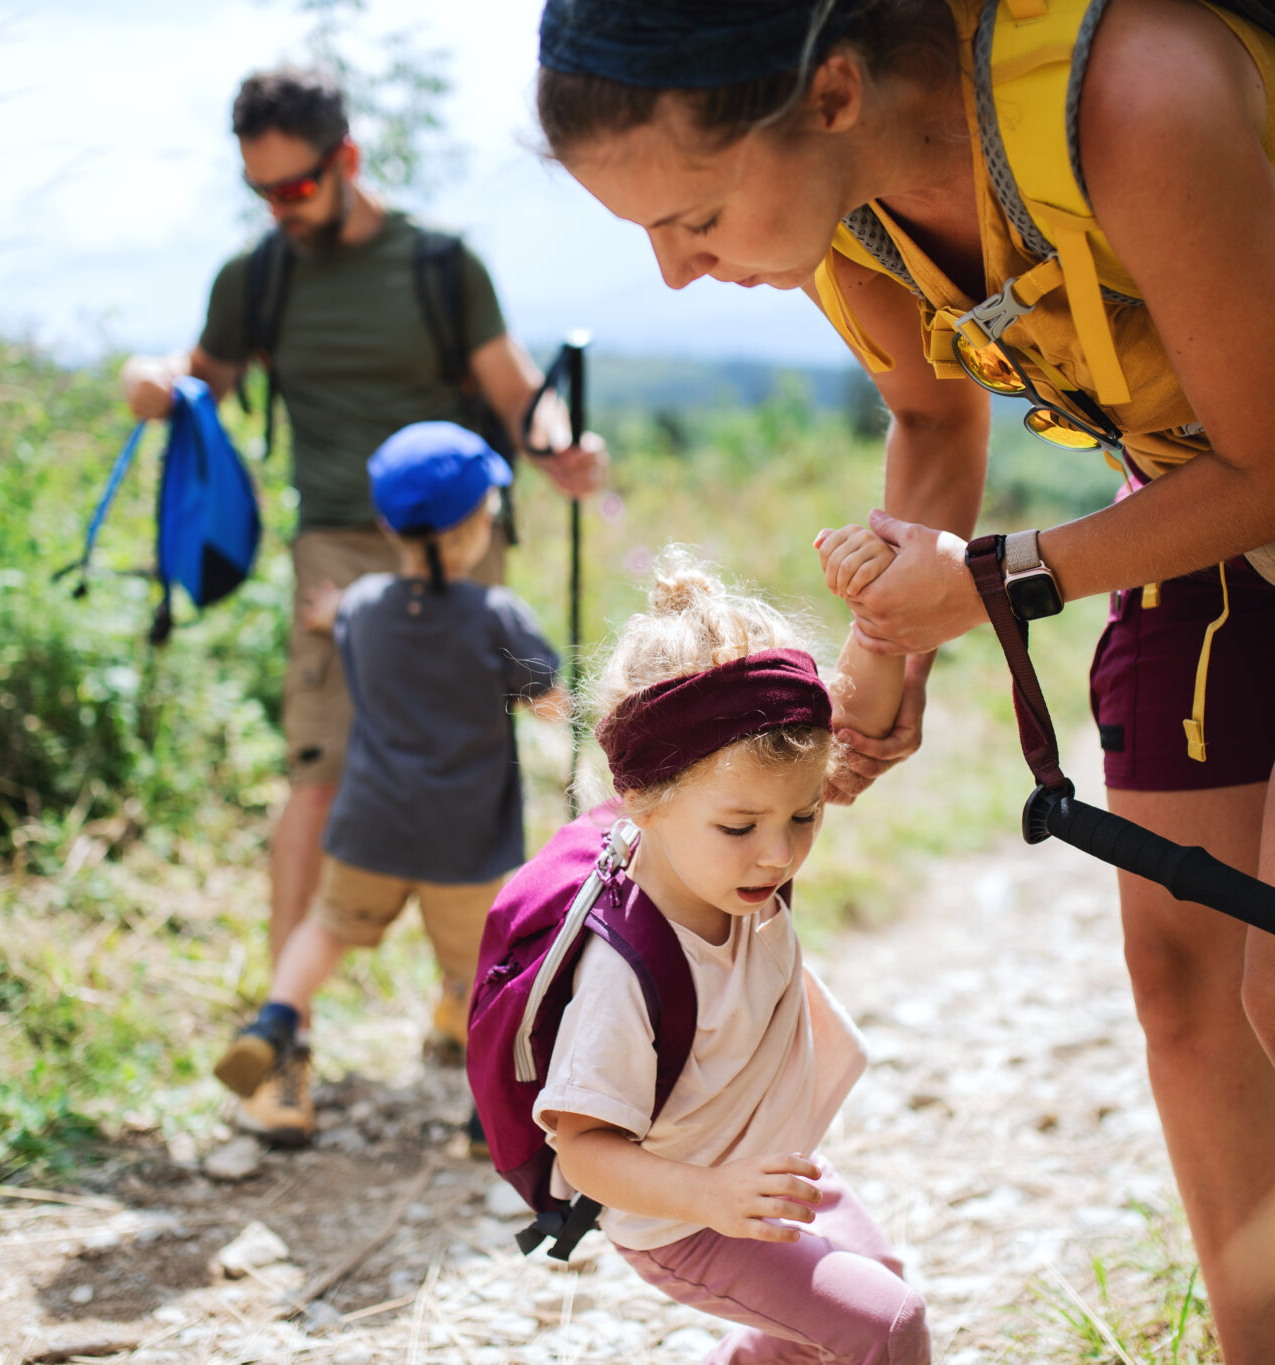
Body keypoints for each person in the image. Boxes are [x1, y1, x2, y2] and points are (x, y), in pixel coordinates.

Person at [532, 2, 1275, 1361]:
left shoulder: (1134, 91)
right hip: (1194, 494)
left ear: (835, 92)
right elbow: (930, 411)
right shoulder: (842, 198)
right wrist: (883, 656)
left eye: (693, 213)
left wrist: (990, 582)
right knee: (1184, 977)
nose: (677, 272)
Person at [119, 66, 607, 1139]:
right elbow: (201, 372)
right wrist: (152, 378)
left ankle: (466, 996)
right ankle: (284, 1044)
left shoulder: (440, 265)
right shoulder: (258, 276)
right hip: (336, 552)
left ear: (343, 162)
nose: (279, 212)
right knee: (320, 775)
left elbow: (512, 386)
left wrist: (556, 443)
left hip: (465, 544)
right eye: (260, 194)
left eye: (294, 189)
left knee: (473, 765)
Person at [531, 553, 926, 1365]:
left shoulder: (738, 854)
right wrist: (712, 1196)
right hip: (687, 1216)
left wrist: (882, 621)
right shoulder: (627, 969)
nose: (779, 855)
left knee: (866, 1286)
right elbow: (581, 1150)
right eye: (742, 827)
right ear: (641, 795)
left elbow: (859, 721)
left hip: (759, 1172)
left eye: (807, 815)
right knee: (883, 1322)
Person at [215, 422, 570, 1145]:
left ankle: (277, 1015)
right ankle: (486, 1117)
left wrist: (327, 611)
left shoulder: (367, 605)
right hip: (465, 842)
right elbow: (552, 699)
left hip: (370, 826)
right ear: (480, 525)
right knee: (483, 976)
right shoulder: (497, 616)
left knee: (328, 926)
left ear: (386, 524)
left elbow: (336, 611)